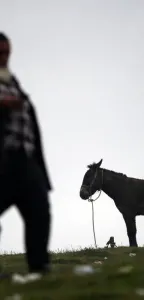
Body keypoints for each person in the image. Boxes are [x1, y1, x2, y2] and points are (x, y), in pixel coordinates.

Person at [0, 32, 52, 275]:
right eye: (0, 53)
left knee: (39, 210)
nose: (4, 57)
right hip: (3, 158)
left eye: (7, 52)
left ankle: (39, 268)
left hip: (26, 159)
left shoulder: (12, 81)